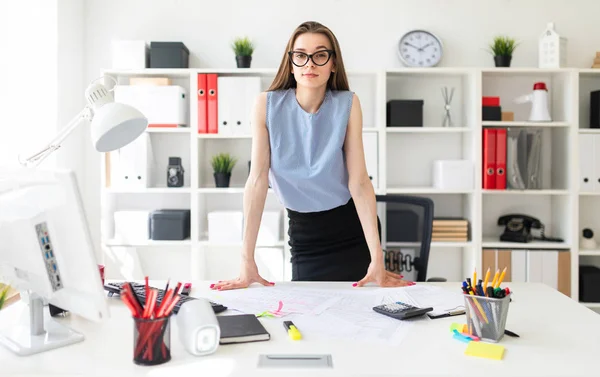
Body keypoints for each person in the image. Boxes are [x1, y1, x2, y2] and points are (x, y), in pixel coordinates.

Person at [211, 21, 414, 291]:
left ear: (333, 64)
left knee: (360, 313)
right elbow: (257, 182)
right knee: (309, 314)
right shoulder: (266, 105)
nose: (310, 64)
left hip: (350, 228)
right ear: (291, 62)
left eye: (320, 55)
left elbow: (359, 182)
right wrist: (246, 259)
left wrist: (377, 255)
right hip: (305, 234)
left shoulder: (348, 104)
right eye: (301, 55)